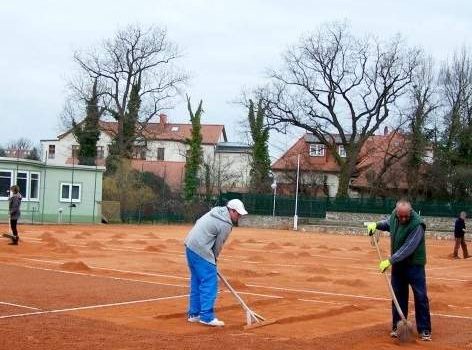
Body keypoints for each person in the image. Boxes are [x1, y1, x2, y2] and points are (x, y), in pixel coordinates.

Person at [367, 199, 432, 341]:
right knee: (397, 296)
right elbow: (388, 223)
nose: (403, 219)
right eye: (400, 216)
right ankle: (398, 326)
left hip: (414, 265)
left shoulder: (417, 225)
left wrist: (389, 261)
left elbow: (408, 248)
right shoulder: (395, 217)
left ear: (411, 212)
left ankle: (424, 329)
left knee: (420, 297)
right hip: (399, 266)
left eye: (406, 216)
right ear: (397, 212)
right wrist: (376, 225)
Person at [184, 199, 248, 327]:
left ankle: (194, 314)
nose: (239, 216)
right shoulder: (225, 224)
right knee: (209, 281)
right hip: (201, 249)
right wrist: (213, 260)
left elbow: (198, 223)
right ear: (231, 210)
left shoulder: (216, 212)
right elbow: (219, 245)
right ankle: (207, 317)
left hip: (190, 246)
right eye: (238, 213)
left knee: (197, 280)